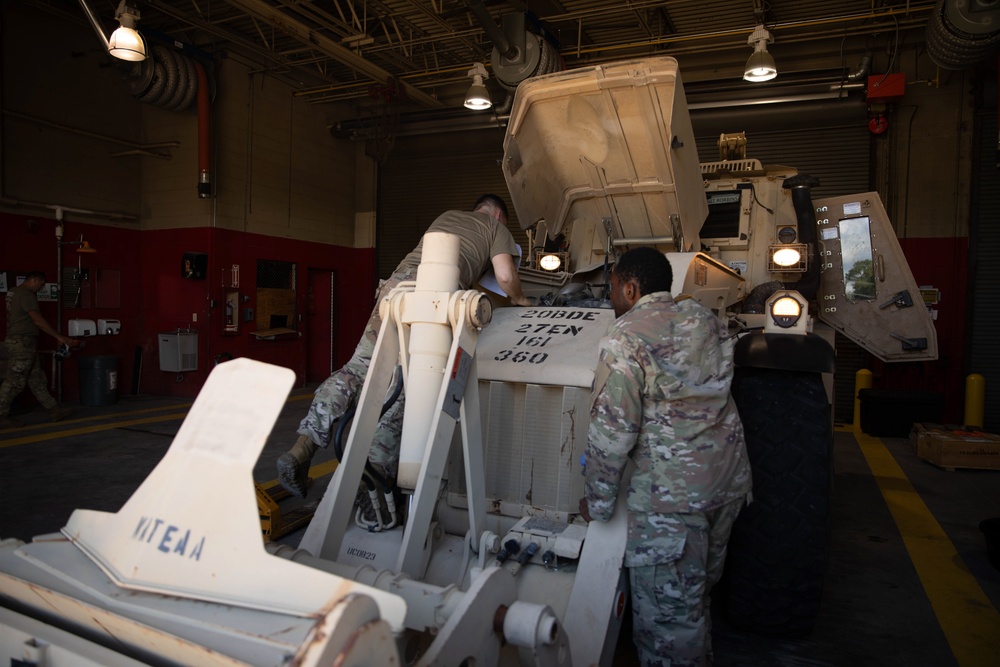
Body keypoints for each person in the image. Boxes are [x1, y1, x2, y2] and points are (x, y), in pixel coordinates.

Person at [277, 194, 531, 497]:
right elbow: (504, 275)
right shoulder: (495, 228)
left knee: (358, 368)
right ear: (499, 215)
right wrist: (520, 299)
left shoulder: (447, 215)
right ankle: (371, 487)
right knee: (405, 386)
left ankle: (302, 447)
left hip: (395, 289)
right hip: (432, 298)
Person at [578, 247, 752, 666]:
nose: (611, 296)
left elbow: (612, 433)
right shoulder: (703, 320)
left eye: (614, 287)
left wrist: (599, 503)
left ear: (631, 287)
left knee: (668, 630)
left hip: (673, 503)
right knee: (694, 599)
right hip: (727, 483)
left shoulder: (627, 335)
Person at [1, 271, 80, 428]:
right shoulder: (26, 295)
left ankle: (54, 409)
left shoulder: (13, 291)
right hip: (22, 342)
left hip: (22, 342)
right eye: (41, 284)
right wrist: (59, 337)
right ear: (34, 280)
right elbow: (37, 320)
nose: (41, 288)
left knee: (37, 378)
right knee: (14, 381)